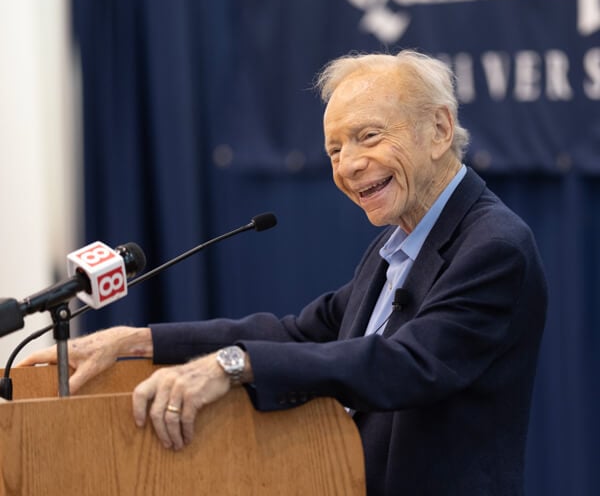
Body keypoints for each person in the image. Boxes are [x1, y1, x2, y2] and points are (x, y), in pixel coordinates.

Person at [19, 50, 547, 495]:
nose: (348, 164)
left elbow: (404, 364)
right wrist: (137, 341)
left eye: (368, 136)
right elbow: (299, 333)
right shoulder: (395, 245)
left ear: (438, 129)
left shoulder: (494, 246)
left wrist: (231, 366)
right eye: (335, 149)